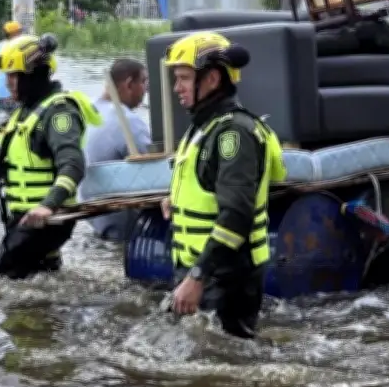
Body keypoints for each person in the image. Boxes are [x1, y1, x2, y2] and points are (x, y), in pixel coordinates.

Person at [161, 31, 287, 338]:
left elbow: (236, 216)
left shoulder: (234, 134)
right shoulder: (206, 126)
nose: (177, 88)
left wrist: (197, 276)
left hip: (225, 276)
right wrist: (175, 199)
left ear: (213, 79)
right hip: (205, 270)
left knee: (229, 359)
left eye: (184, 79)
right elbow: (207, 189)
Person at [0, 33, 103, 279]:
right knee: (38, 280)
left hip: (45, 220)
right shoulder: (26, 111)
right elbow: (22, 159)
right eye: (7, 76)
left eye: (14, 76)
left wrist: (48, 205)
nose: (8, 83)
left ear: (33, 74)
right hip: (27, 219)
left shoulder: (58, 113)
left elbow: (73, 165)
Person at [80, 58, 152, 241]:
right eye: (143, 82)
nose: (146, 90)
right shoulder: (129, 121)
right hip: (122, 224)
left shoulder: (87, 110)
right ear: (129, 84)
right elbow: (152, 170)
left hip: (92, 215)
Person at [0, 21, 24, 111]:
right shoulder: (14, 47)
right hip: (7, 95)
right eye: (19, 32)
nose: (21, 34)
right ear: (14, 33)